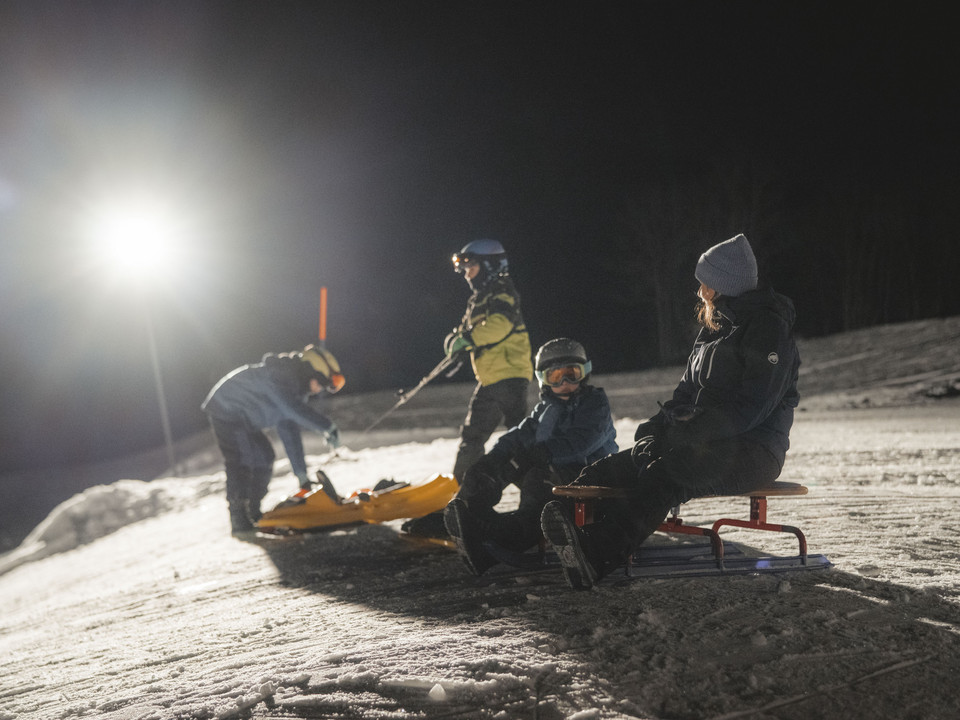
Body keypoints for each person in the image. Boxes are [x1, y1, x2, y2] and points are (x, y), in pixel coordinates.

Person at [541, 233, 801, 589]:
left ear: (723, 285)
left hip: (754, 449)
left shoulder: (768, 331)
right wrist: (656, 430)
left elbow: (751, 408)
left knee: (667, 474)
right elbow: (685, 394)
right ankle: (563, 533)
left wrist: (683, 436)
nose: (699, 290)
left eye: (704, 283)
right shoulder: (714, 330)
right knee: (611, 469)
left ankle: (597, 553)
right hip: (703, 440)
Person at [444, 338, 618, 575]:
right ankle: (473, 515)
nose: (565, 383)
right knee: (497, 466)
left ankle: (511, 536)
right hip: (554, 471)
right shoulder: (546, 408)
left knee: (538, 478)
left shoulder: (594, 403)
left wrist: (544, 453)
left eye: (572, 374)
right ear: (543, 379)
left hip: (588, 477)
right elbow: (520, 434)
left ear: (584, 373)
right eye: (556, 377)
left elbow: (583, 442)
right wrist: (495, 458)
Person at [403, 239, 534, 538]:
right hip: (491, 377)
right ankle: (464, 501)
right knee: (482, 438)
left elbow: (499, 326)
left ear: (489, 266)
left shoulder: (502, 291)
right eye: (463, 267)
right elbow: (468, 331)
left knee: (507, 439)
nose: (466, 273)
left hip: (509, 375)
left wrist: (469, 339)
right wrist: (456, 341)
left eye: (471, 266)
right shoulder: (479, 298)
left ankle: (536, 496)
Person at [202, 345, 345, 534]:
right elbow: (291, 409)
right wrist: (327, 426)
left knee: (265, 456)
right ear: (310, 372)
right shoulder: (280, 376)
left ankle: (252, 510)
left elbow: (289, 431)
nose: (319, 390)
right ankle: (238, 516)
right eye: (320, 383)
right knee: (242, 459)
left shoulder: (294, 390)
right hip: (226, 410)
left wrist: (302, 476)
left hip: (245, 419)